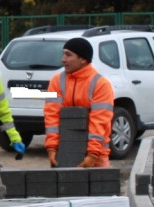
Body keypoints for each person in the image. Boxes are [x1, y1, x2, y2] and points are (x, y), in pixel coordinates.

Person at [44, 37, 114, 168]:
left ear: (83, 59)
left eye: (68, 55)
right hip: (64, 153)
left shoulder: (100, 84)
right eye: (63, 53)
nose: (63, 59)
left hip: (97, 156)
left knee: (100, 187)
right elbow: (51, 116)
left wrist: (92, 154)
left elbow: (99, 121)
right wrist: (52, 148)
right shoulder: (56, 81)